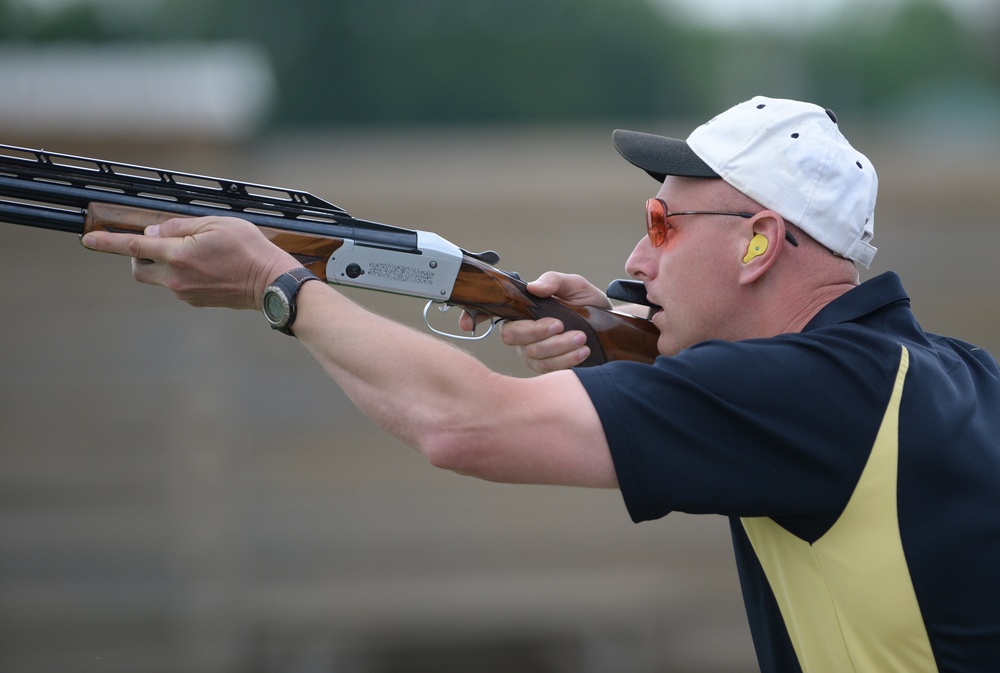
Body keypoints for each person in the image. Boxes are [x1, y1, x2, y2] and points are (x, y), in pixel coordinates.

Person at [81, 96, 1000, 672]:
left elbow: (464, 425)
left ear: (761, 241)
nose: (640, 255)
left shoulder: (806, 392)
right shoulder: (949, 372)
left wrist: (276, 287)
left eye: (664, 223)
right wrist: (625, 346)